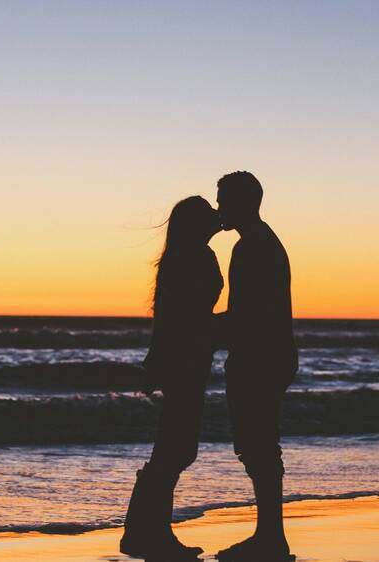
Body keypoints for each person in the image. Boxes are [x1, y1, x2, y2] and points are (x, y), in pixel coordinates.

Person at [120, 196, 223, 560]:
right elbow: (182, 318)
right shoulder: (193, 257)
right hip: (187, 360)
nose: (217, 216)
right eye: (209, 213)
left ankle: (143, 532)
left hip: (186, 358)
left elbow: (171, 316)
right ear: (197, 223)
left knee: (174, 446)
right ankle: (148, 534)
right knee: (176, 448)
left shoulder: (184, 255)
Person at [215, 171, 299, 562]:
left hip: (259, 358)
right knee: (260, 445)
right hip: (272, 355)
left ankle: (271, 538)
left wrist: (196, 329)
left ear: (243, 203)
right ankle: (270, 535)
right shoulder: (262, 243)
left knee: (258, 446)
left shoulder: (252, 248)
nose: (219, 208)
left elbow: (245, 314)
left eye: (223, 200)